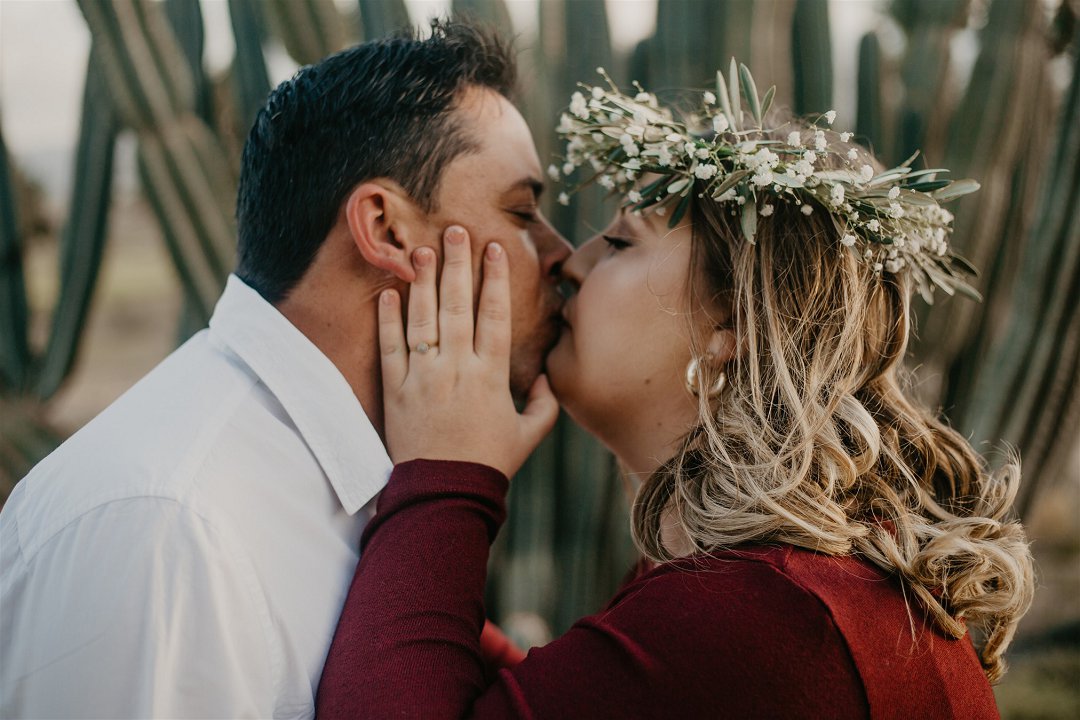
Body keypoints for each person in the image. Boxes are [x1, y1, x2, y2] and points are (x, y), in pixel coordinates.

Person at [315, 65, 1035, 718]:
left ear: (733, 324)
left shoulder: (763, 619)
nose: (569, 258)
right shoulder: (769, 595)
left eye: (623, 242)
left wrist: (443, 477)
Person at [0, 21, 570, 718]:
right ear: (388, 230)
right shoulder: (171, 534)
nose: (562, 253)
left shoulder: (359, 482)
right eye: (522, 211)